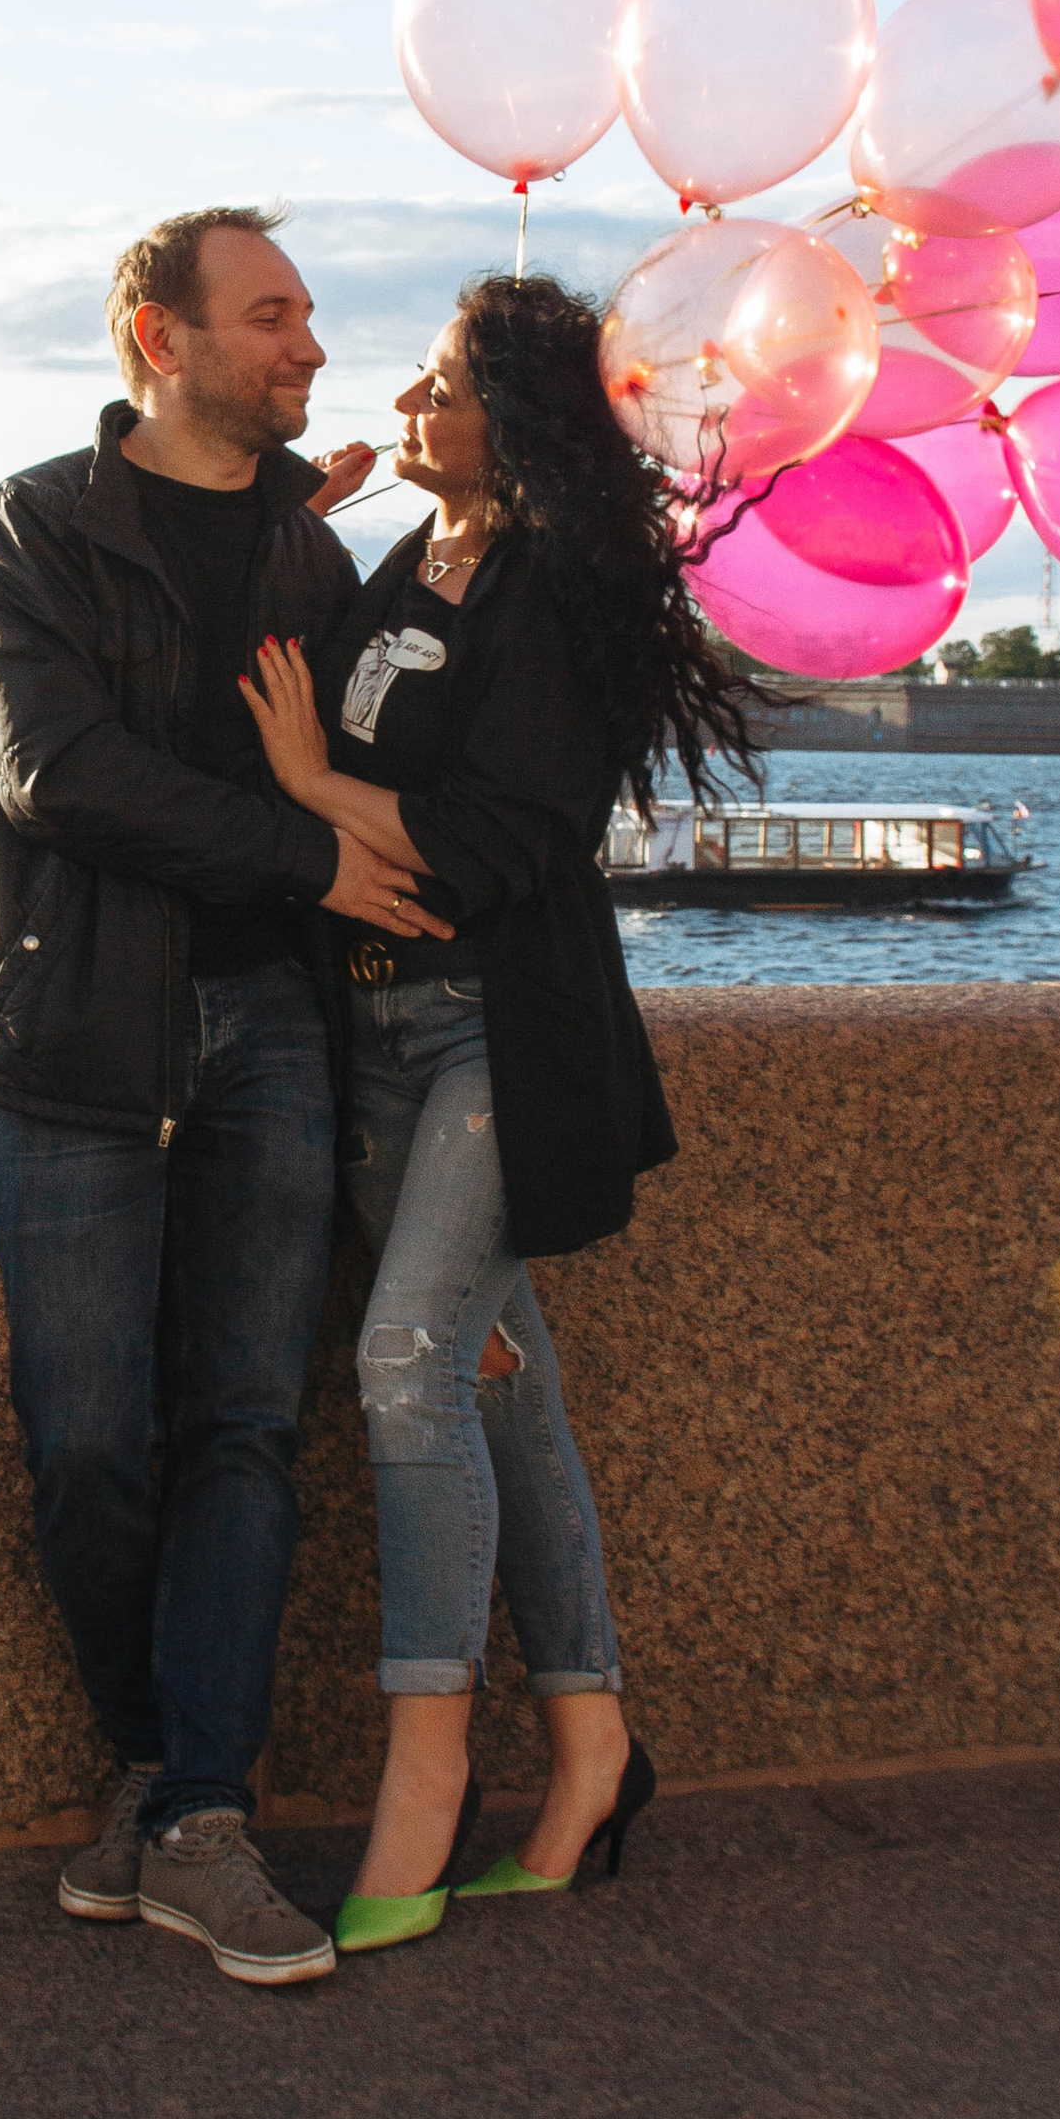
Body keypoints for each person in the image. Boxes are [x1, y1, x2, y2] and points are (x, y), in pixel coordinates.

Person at [0, 205, 450, 1987]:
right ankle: (159, 1771)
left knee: (241, 1424)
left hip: (273, 1038)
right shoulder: (35, 528)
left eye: (308, 317)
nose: (309, 347)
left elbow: (403, 782)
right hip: (73, 1039)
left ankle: (201, 1817)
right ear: (158, 338)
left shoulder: (319, 567)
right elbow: (55, 775)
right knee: (88, 1442)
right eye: (272, 317)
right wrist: (295, 859)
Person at [238, 271, 753, 1951]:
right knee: (497, 1389)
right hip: (372, 1037)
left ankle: (429, 1775)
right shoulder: (406, 559)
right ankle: (594, 1743)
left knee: (405, 1366)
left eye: (439, 384)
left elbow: (493, 847)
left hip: (495, 1043)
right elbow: (259, 712)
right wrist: (285, 528)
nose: (403, 406)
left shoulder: (554, 586)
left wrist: (325, 794)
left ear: (518, 421)